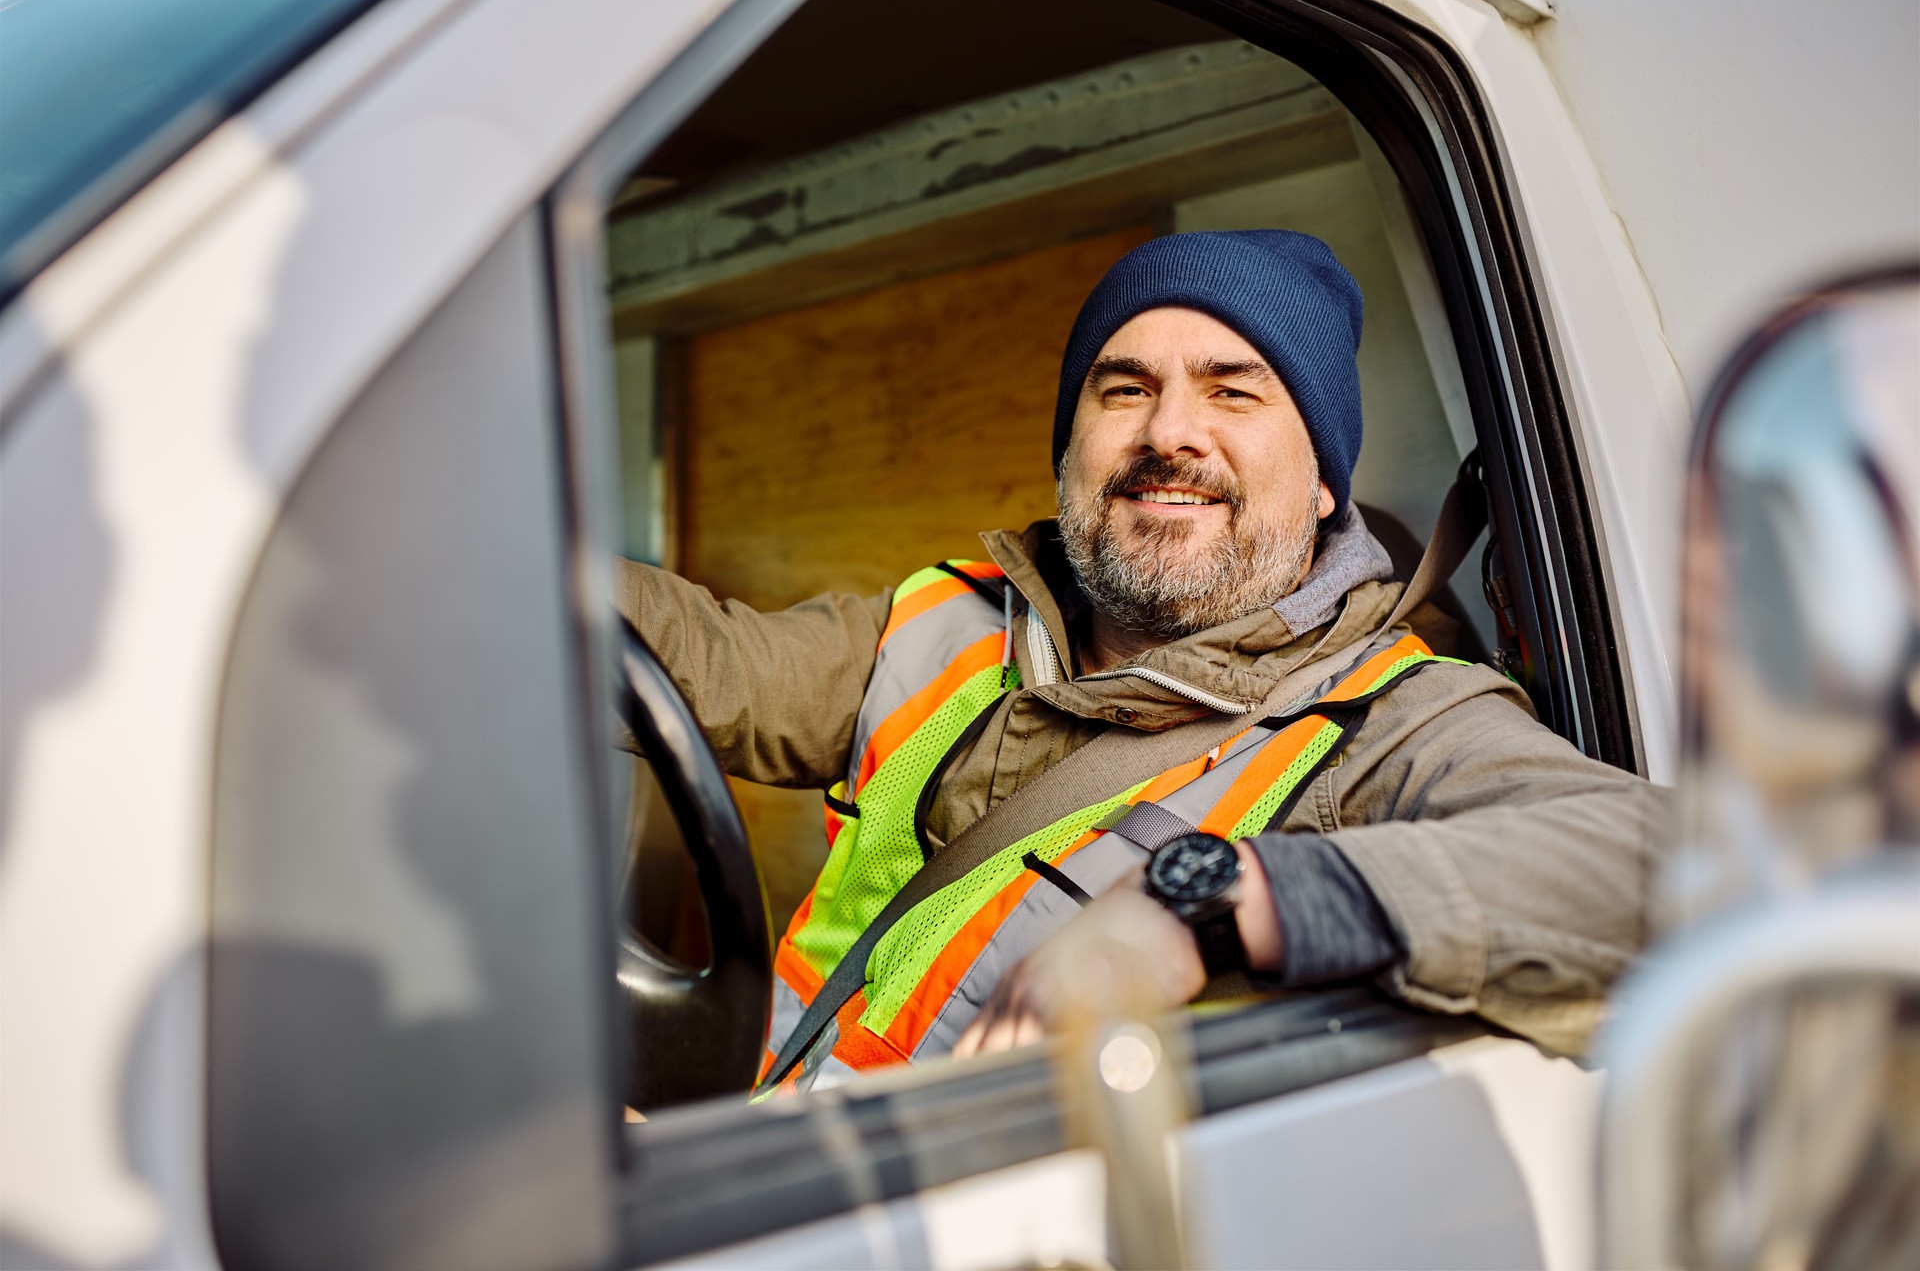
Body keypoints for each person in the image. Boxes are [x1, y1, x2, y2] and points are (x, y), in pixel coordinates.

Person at [617, 230, 1667, 1095]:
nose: (1170, 431)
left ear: (1322, 490)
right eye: (1123, 389)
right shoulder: (941, 619)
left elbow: (1673, 865)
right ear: (1071, 448)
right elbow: (694, 653)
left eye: (1234, 392)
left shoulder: (1391, 719)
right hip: (766, 1168)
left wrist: (1214, 900)